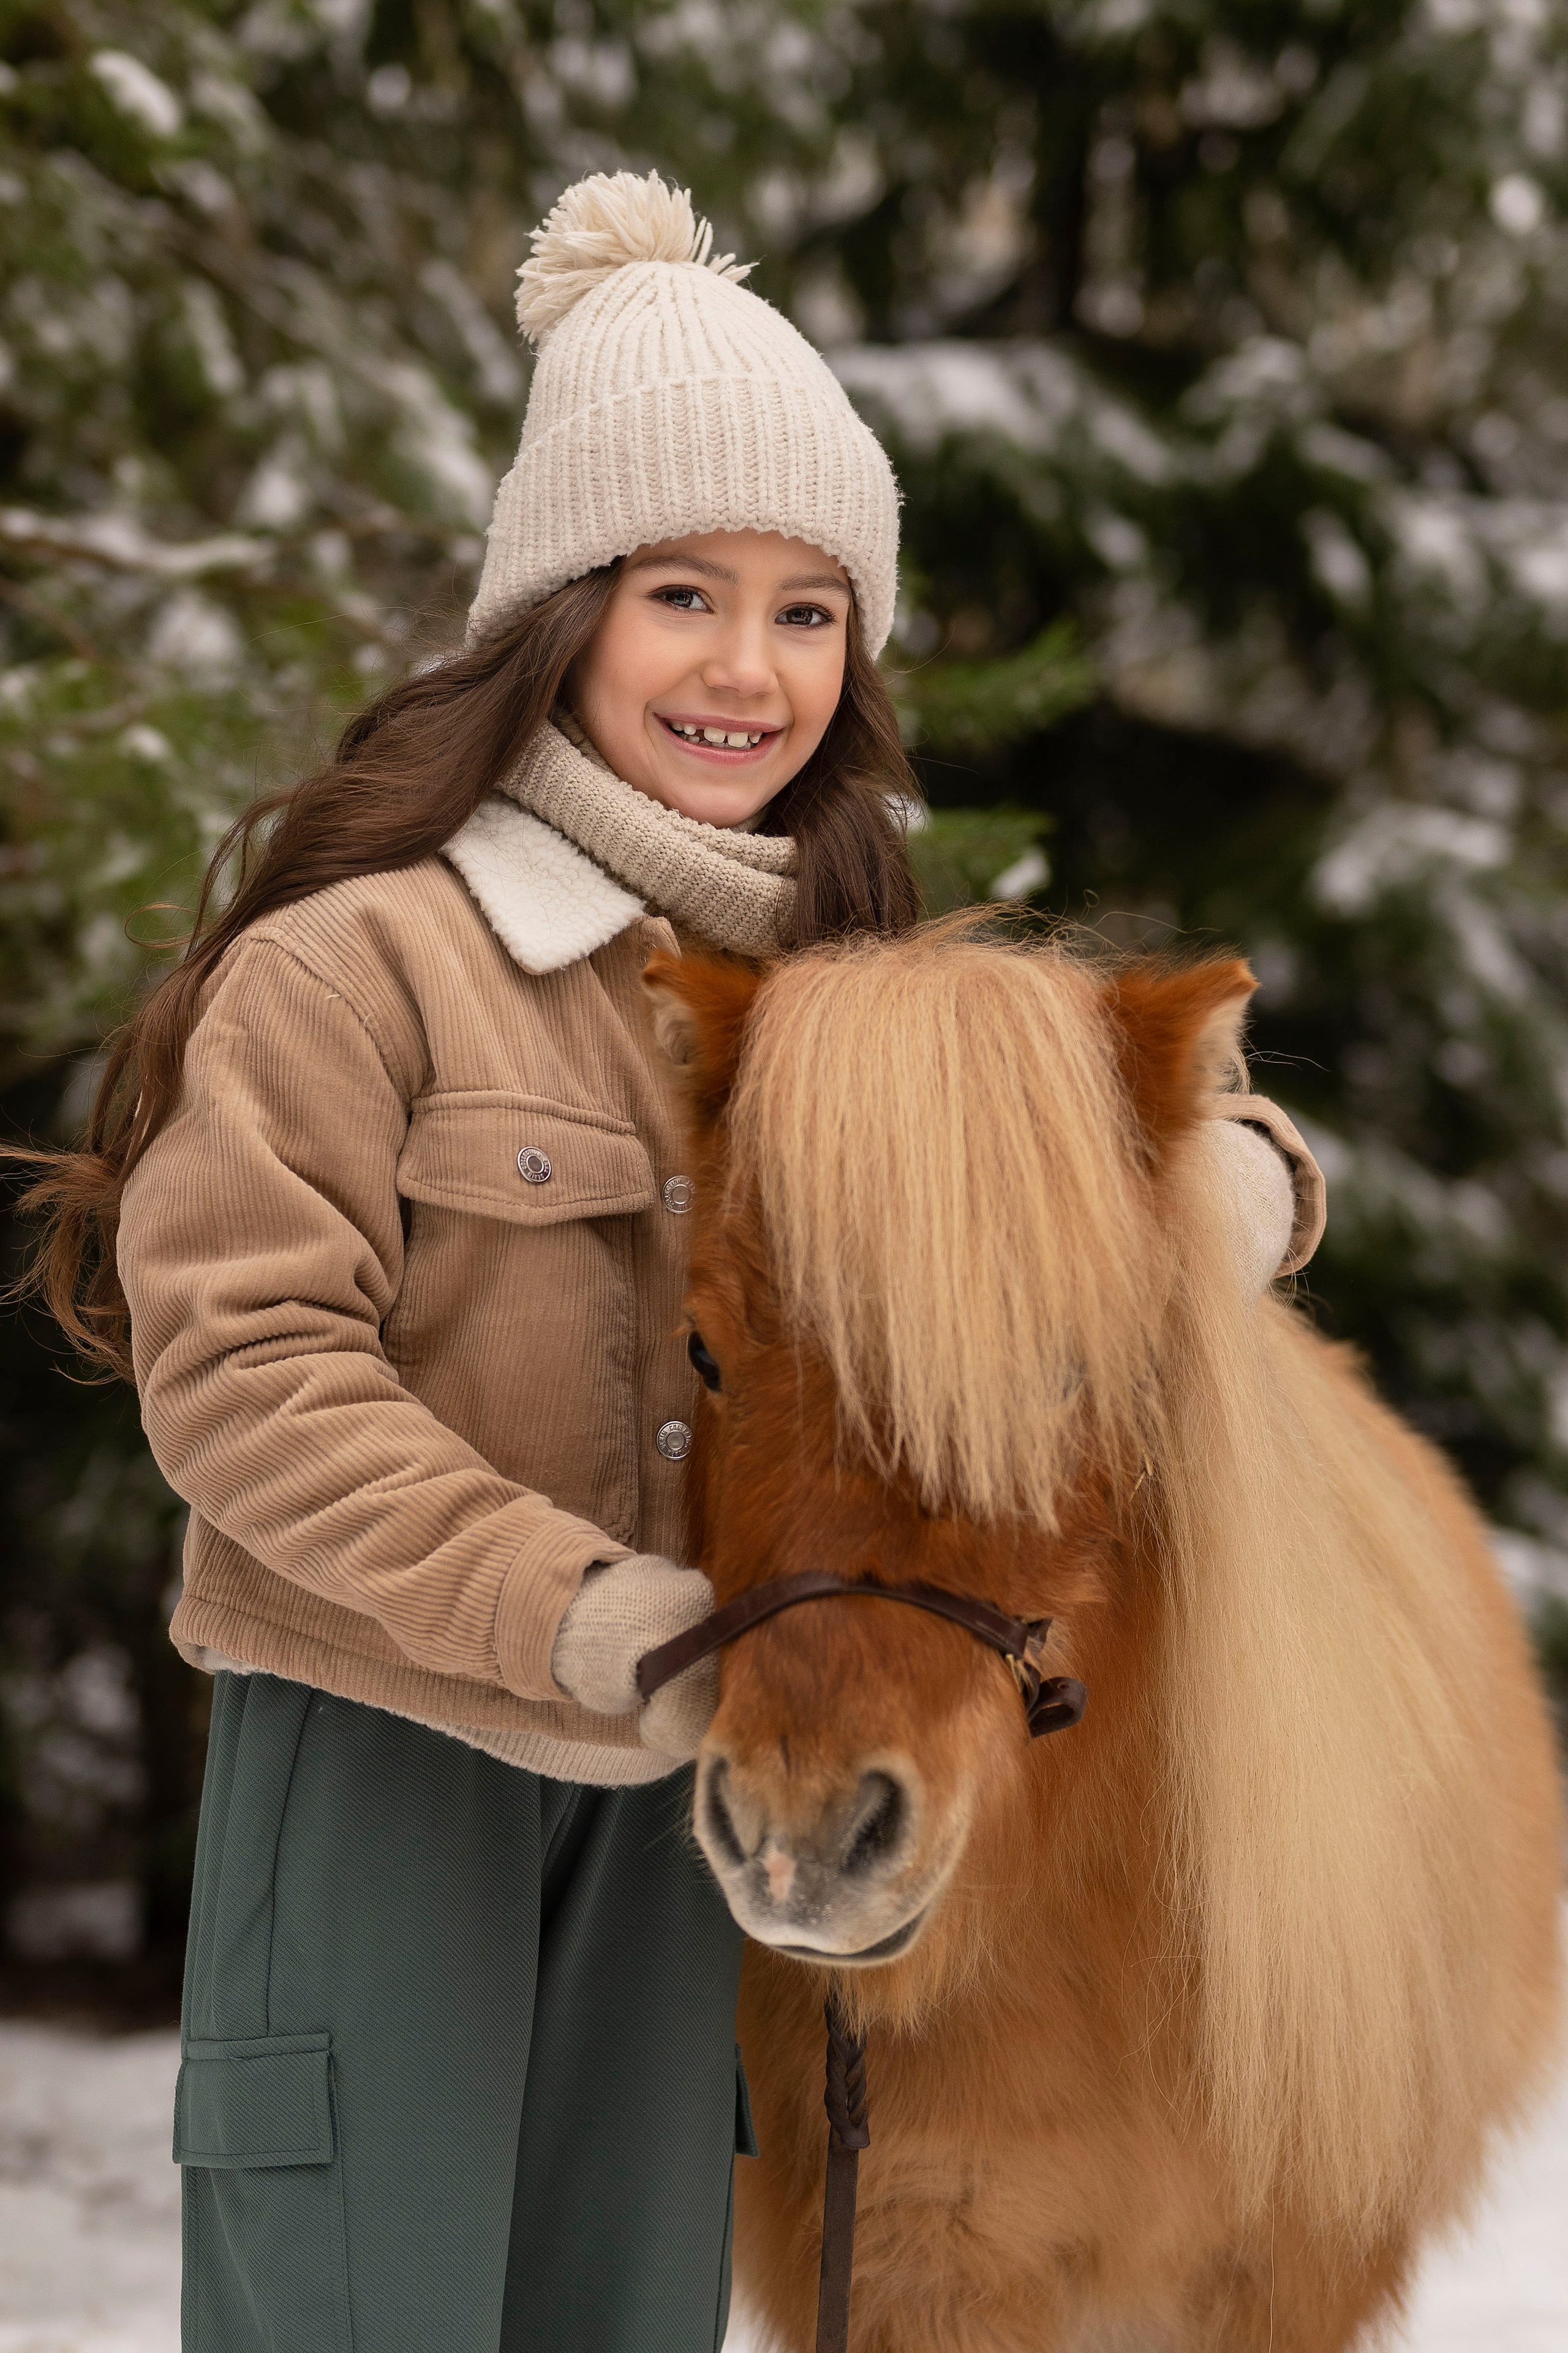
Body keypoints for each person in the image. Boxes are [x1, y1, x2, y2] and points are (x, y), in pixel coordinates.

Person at [10, 172, 1324, 2352]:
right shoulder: (365, 966)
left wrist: (1192, 1199)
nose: (749, 667)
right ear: (558, 610)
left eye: (812, 611)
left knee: (620, 2318)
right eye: (684, 594)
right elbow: (245, 1378)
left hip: (701, 1790)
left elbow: (1158, 1116)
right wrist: (583, 1612)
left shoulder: (839, 1003)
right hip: (387, 1753)